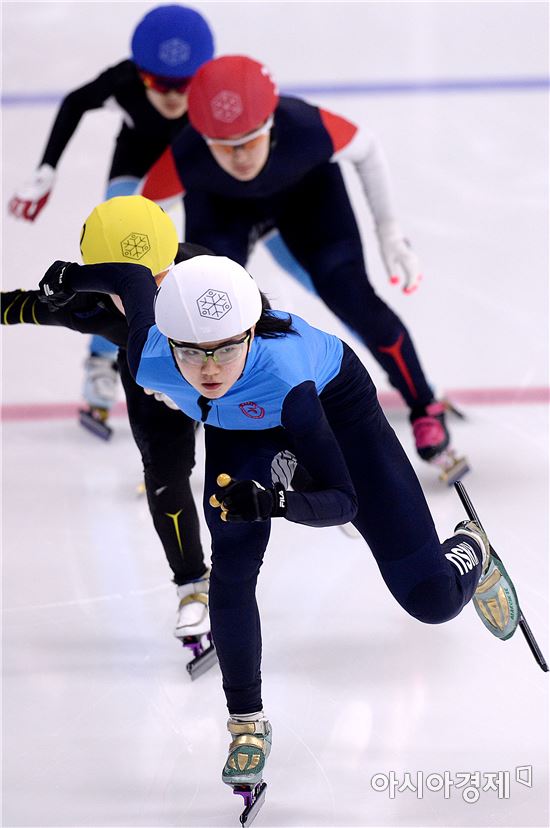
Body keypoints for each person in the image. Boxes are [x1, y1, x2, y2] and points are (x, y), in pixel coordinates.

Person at [35, 250, 519, 808]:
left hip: (333, 421)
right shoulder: (148, 357)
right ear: (168, 343)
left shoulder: (288, 377)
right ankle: (247, 723)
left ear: (249, 333)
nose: (209, 370)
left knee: (433, 601)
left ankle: (471, 551)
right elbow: (133, 278)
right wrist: (72, 277)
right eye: (191, 353)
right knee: (234, 563)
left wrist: (279, 501)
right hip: (243, 432)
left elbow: (343, 499)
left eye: (224, 350)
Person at [139, 54, 468, 483]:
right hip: (223, 215)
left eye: (251, 141)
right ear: (203, 137)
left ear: (271, 124)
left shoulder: (305, 127)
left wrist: (390, 232)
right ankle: (214, 425)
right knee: (208, 320)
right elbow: (142, 219)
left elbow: (366, 147)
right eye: (225, 146)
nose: (240, 158)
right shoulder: (187, 154)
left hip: (308, 204)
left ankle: (425, 405)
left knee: (354, 298)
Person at [1, 196, 214, 672]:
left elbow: (272, 339)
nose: (149, 293)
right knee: (165, 478)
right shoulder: (85, 306)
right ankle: (191, 585)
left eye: (160, 278)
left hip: (224, 370)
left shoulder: (207, 274)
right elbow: (16, 307)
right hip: (151, 381)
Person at [8, 5, 215, 436]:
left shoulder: (214, 89)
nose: (175, 95)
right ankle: (101, 362)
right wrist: (48, 167)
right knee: (117, 250)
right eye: (161, 83)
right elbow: (74, 103)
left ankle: (200, 352)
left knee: (193, 262)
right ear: (141, 75)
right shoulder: (123, 80)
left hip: (191, 169)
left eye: (184, 84)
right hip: (137, 163)